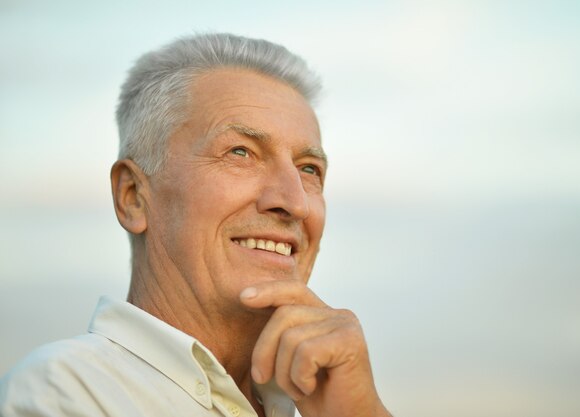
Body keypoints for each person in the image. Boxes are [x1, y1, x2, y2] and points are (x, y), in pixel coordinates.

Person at [0, 33, 391, 417]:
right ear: (133, 196)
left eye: (309, 169)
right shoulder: (62, 393)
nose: (294, 202)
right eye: (241, 152)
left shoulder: (318, 401)